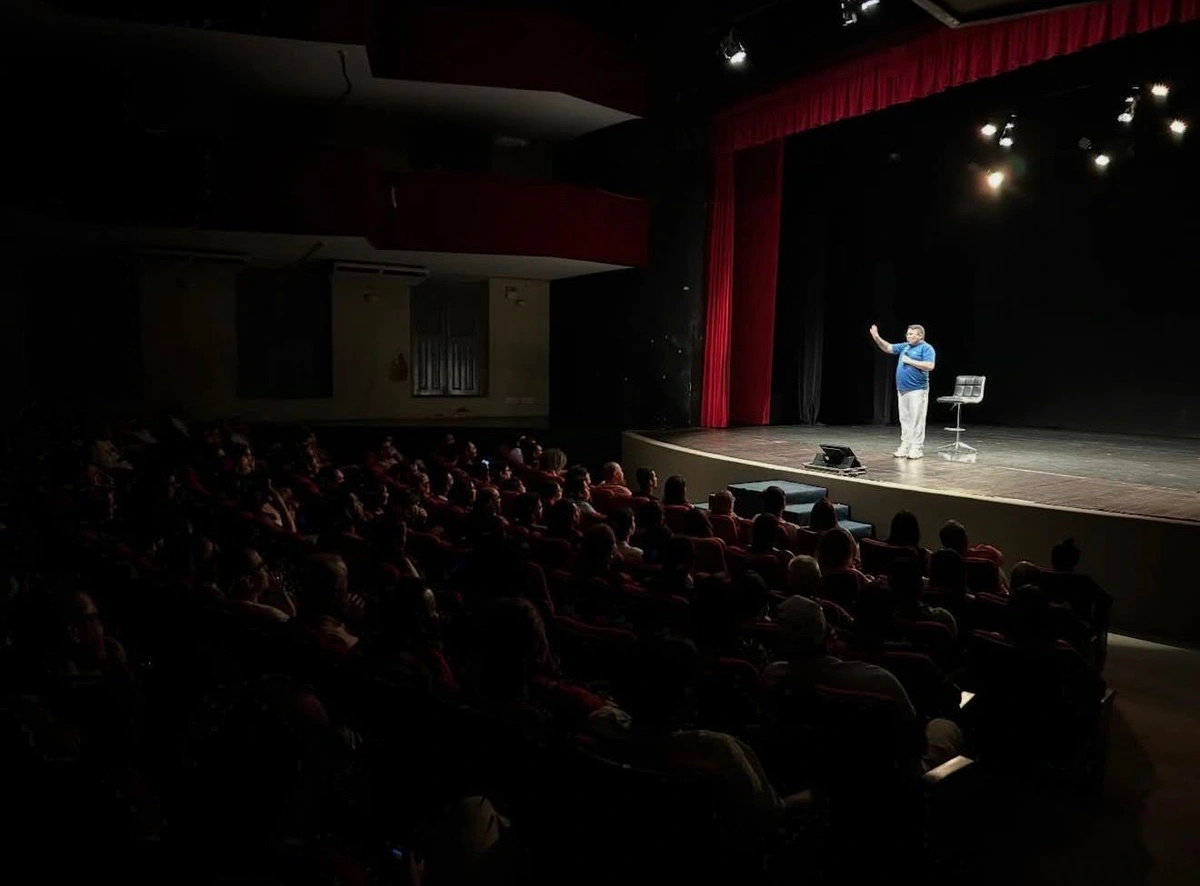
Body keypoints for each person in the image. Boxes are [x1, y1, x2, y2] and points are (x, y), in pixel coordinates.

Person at [869, 323, 936, 459]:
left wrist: (910, 361)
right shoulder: (904, 347)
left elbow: (930, 366)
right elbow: (887, 347)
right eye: (908, 334)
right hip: (902, 390)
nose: (909, 336)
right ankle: (905, 445)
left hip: (918, 390)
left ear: (920, 335)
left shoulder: (926, 348)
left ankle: (916, 447)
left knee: (917, 419)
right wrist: (877, 337)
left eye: (912, 334)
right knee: (905, 419)